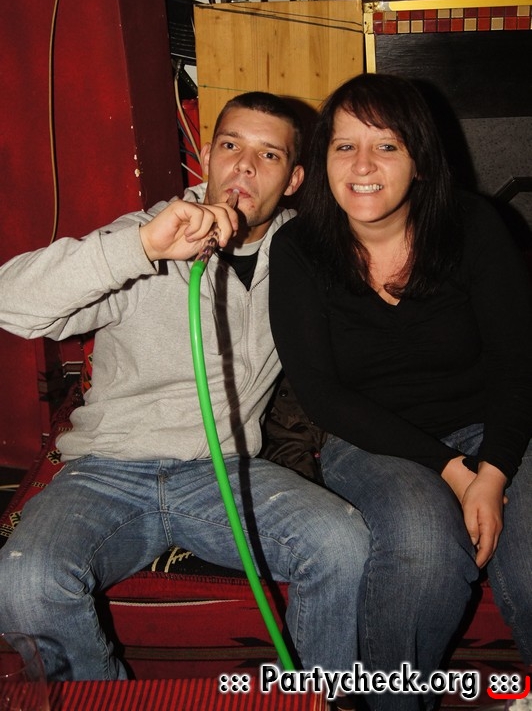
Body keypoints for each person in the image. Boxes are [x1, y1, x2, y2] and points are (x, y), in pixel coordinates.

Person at [0, 91, 371, 683]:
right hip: (107, 470)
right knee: (22, 579)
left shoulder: (307, 256)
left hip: (222, 473)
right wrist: (143, 247)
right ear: (206, 155)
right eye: (230, 146)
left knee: (342, 545)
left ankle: (312, 697)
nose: (243, 166)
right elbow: (11, 303)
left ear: (295, 179)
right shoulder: (147, 234)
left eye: (268, 155)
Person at [269, 73, 532, 710]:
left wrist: (493, 472)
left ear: (420, 160)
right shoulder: (299, 247)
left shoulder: (473, 225)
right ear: (323, 160)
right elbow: (322, 394)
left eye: (386, 145)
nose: (362, 165)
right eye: (344, 146)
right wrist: (453, 470)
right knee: (422, 549)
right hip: (370, 440)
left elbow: (519, 363)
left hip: (494, 426)